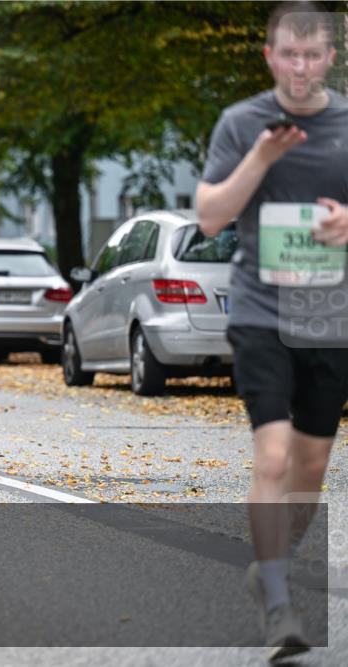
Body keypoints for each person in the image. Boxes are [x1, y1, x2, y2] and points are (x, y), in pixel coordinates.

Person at [195, 2, 348, 660]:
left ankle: (271, 563)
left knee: (310, 470)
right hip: (260, 310)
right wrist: (259, 156)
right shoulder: (242, 123)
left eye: (314, 56)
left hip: (329, 315)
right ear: (269, 55)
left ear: (332, 58)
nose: (301, 67)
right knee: (275, 456)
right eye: (290, 54)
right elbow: (207, 218)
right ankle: (280, 604)